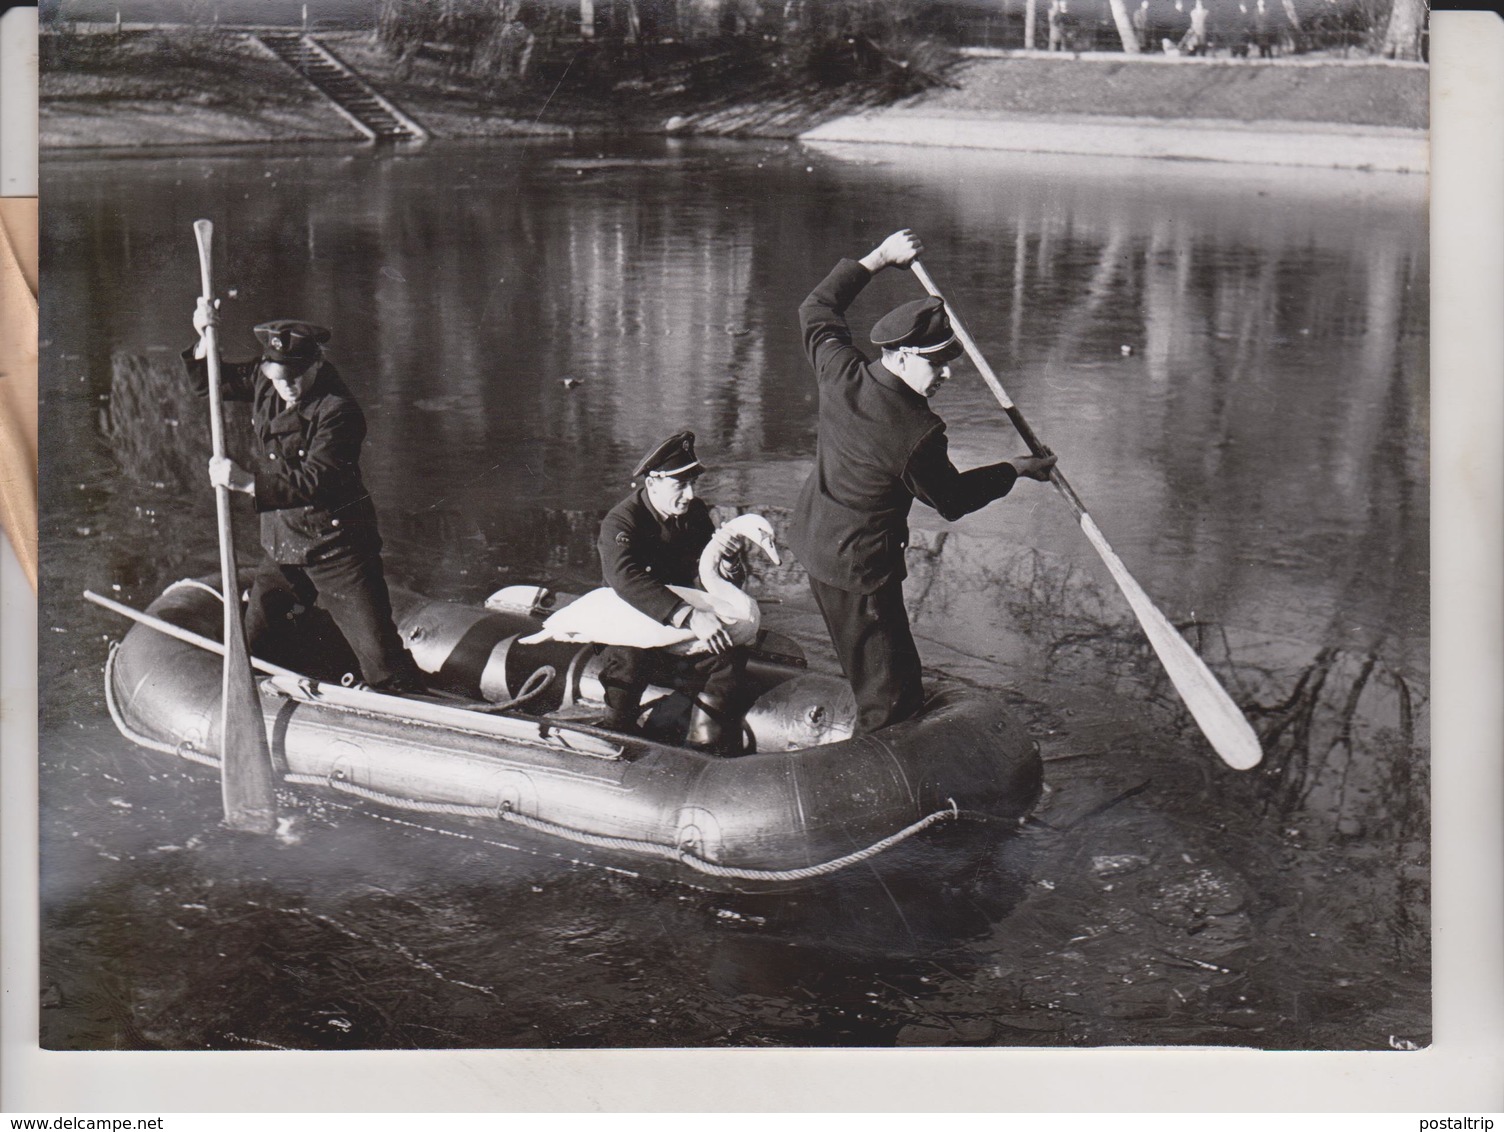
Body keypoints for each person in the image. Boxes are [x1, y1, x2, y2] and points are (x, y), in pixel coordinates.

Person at [789, 230, 1057, 736]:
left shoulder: (841, 372)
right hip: (859, 571)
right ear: (905, 355)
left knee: (879, 669)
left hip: (815, 546)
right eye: (937, 362)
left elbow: (817, 307)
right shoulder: (916, 431)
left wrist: (880, 258)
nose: (946, 376)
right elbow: (951, 500)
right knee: (890, 698)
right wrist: (1018, 469)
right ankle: (877, 786)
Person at [183, 303, 424, 694]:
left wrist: (246, 483)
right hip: (283, 545)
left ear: (317, 364)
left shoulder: (339, 410)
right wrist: (203, 337)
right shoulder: (267, 380)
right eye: (279, 376)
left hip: (337, 548)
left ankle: (407, 701)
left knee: (383, 661)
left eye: (296, 376)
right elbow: (209, 382)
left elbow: (317, 479)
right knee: (254, 643)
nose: (287, 385)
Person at [595, 431, 750, 754]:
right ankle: (615, 731)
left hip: (677, 626)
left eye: (693, 484)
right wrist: (691, 616)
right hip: (636, 622)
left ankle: (703, 745)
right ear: (652, 483)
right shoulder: (623, 522)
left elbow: (707, 575)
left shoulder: (694, 515)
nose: (690, 494)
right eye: (680, 485)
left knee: (728, 654)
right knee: (629, 656)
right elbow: (625, 578)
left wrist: (730, 559)